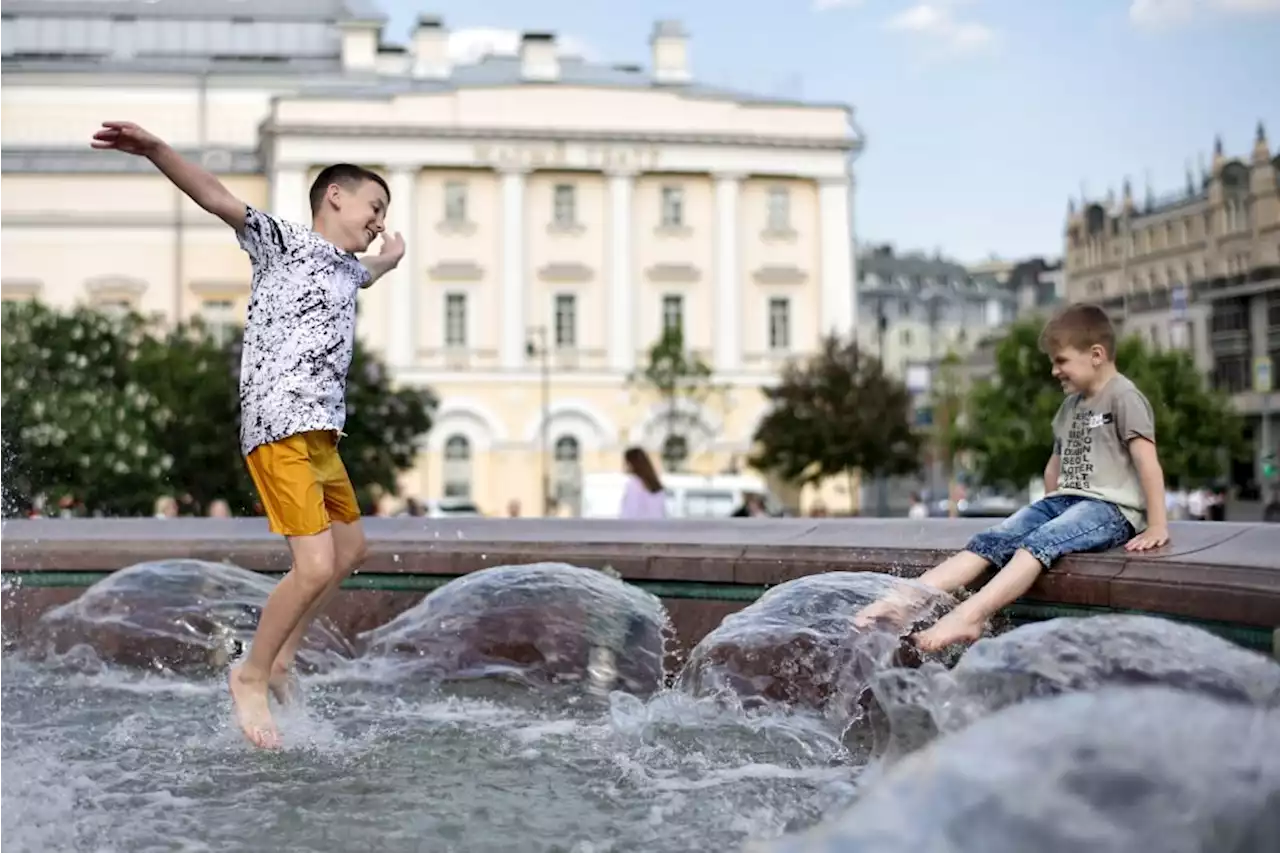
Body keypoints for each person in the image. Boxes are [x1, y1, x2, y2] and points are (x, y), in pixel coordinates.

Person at [92, 120, 405, 749]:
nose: (378, 219)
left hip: (321, 433)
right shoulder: (281, 241)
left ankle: (282, 657)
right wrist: (155, 150)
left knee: (351, 551)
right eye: (375, 206)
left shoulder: (348, 271)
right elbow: (213, 195)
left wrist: (387, 260)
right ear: (334, 197)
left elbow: (369, 270)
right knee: (314, 564)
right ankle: (251, 673)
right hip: (279, 422)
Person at [858, 303, 1170, 650]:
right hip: (1064, 501)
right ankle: (903, 601)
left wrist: (1157, 525)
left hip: (1110, 509)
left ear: (1096, 354)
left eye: (1061, 360)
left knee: (1038, 544)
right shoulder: (1070, 407)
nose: (1054, 371)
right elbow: (1055, 465)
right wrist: (1050, 506)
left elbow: (1147, 462)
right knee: (993, 538)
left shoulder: (1124, 397)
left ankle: (970, 617)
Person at [619, 446, 666, 519]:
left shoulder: (634, 484)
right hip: (655, 529)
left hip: (637, 529)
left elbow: (630, 514)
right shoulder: (656, 485)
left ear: (631, 464)